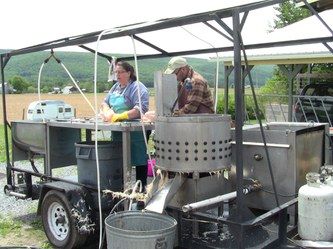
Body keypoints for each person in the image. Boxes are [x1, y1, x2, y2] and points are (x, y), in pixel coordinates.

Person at [100, 61, 149, 191]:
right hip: (117, 130)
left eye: (120, 72)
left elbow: (140, 109)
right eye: (116, 72)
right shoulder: (116, 87)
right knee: (119, 158)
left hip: (135, 131)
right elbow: (105, 102)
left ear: (129, 73)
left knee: (139, 159)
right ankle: (120, 188)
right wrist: (106, 112)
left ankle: (141, 189)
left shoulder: (137, 87)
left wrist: (120, 116)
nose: (118, 75)